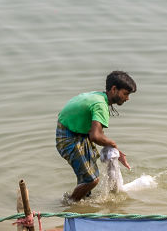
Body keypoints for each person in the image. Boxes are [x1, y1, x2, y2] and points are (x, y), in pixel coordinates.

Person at [56, 70, 136, 201]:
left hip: (76, 131)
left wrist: (114, 150)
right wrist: (114, 145)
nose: (127, 98)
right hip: (68, 136)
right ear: (114, 89)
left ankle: (83, 202)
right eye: (125, 94)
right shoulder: (100, 105)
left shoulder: (99, 97)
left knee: (88, 172)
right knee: (91, 180)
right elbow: (95, 136)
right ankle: (69, 204)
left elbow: (97, 132)